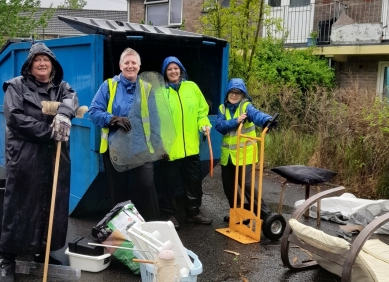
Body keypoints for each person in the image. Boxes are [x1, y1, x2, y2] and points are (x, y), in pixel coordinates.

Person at [0, 42, 79, 282]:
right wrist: (49, 131)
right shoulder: (16, 87)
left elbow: (72, 98)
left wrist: (64, 113)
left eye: (46, 60)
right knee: (19, 206)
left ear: (52, 64)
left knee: (49, 204)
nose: (42, 63)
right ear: (29, 65)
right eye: (37, 60)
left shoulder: (61, 88)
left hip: (53, 157)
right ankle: (7, 260)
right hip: (25, 156)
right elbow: (14, 118)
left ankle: (41, 253)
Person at [89, 47, 160, 222]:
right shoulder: (109, 85)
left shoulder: (147, 88)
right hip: (116, 149)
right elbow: (93, 112)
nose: (130, 66)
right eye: (126, 62)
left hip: (141, 149)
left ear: (139, 65)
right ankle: (122, 233)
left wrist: (159, 145)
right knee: (118, 193)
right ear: (120, 66)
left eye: (133, 62)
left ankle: (152, 228)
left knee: (146, 186)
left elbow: (155, 118)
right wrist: (112, 119)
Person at [158, 56, 213, 229]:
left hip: (191, 147)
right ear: (165, 73)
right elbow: (155, 120)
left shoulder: (192, 87)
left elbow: (201, 112)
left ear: (181, 70)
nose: (173, 71)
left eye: (176, 68)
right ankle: (169, 214)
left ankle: (193, 212)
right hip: (170, 150)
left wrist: (204, 124)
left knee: (194, 181)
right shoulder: (160, 93)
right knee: (168, 184)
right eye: (169, 69)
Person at [214, 78, 276, 224]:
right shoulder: (222, 108)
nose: (234, 95)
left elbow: (256, 114)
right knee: (228, 185)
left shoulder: (246, 107)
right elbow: (220, 126)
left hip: (245, 155)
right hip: (228, 156)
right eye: (232, 92)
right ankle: (238, 213)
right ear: (227, 93)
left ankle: (266, 215)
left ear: (243, 95)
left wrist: (267, 120)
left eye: (238, 92)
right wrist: (235, 121)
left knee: (246, 185)